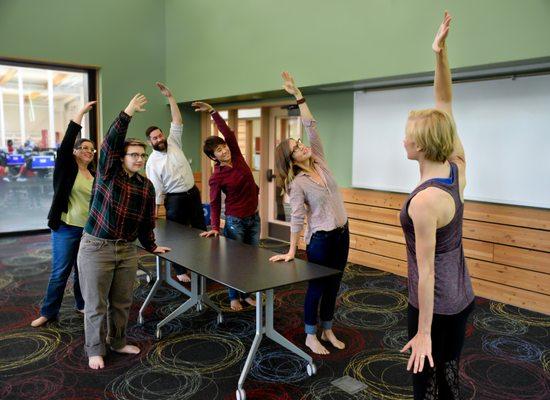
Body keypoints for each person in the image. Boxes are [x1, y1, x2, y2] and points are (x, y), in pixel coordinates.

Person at [398, 12, 475, 399]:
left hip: (437, 306)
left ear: (422, 146)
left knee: (426, 384)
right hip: (461, 295)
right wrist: (439, 53)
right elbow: (444, 102)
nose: (403, 140)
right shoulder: (455, 168)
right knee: (448, 376)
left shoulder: (426, 201)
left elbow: (426, 273)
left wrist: (423, 332)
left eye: (408, 136)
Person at [77, 94, 170, 370]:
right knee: (96, 305)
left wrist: (151, 245)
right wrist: (127, 112)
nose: (140, 159)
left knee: (121, 302)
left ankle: (117, 342)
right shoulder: (107, 172)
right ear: (122, 157)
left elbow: (146, 221)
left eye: (143, 155)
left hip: (126, 250)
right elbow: (110, 144)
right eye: (134, 154)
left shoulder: (145, 186)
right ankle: (94, 348)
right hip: (96, 248)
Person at [269, 72, 349, 355]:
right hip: (322, 240)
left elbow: (311, 127)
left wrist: (298, 95)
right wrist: (292, 249)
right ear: (291, 160)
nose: (302, 145)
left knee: (335, 285)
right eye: (296, 148)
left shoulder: (320, 162)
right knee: (317, 287)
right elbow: (297, 218)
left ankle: (327, 328)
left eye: (299, 142)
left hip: (342, 233)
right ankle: (310, 334)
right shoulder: (296, 184)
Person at [31, 101, 97, 327]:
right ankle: (48, 311)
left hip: (88, 231)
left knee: (82, 271)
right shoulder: (66, 169)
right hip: (66, 228)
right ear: (75, 151)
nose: (88, 151)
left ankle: (81, 304)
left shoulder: (94, 175)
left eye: (92, 149)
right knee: (60, 272)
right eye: (84, 148)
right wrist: (80, 114)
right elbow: (68, 140)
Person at [192, 100, 259, 311]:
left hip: (253, 218)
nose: (223, 151)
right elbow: (214, 203)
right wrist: (214, 227)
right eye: (218, 151)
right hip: (235, 221)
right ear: (213, 157)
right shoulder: (217, 177)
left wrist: (213, 112)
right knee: (235, 261)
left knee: (251, 260)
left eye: (223, 147)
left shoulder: (237, 157)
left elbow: (228, 133)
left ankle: (247, 294)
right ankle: (233, 296)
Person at [145, 82, 206, 283]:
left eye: (160, 135)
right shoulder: (152, 162)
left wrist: (170, 97)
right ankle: (180, 270)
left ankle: (203, 264)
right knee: (177, 236)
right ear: (150, 142)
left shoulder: (173, 142)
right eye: (154, 138)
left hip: (193, 193)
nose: (159, 138)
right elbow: (156, 190)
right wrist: (153, 216)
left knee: (200, 229)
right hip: (175, 200)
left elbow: (177, 120)